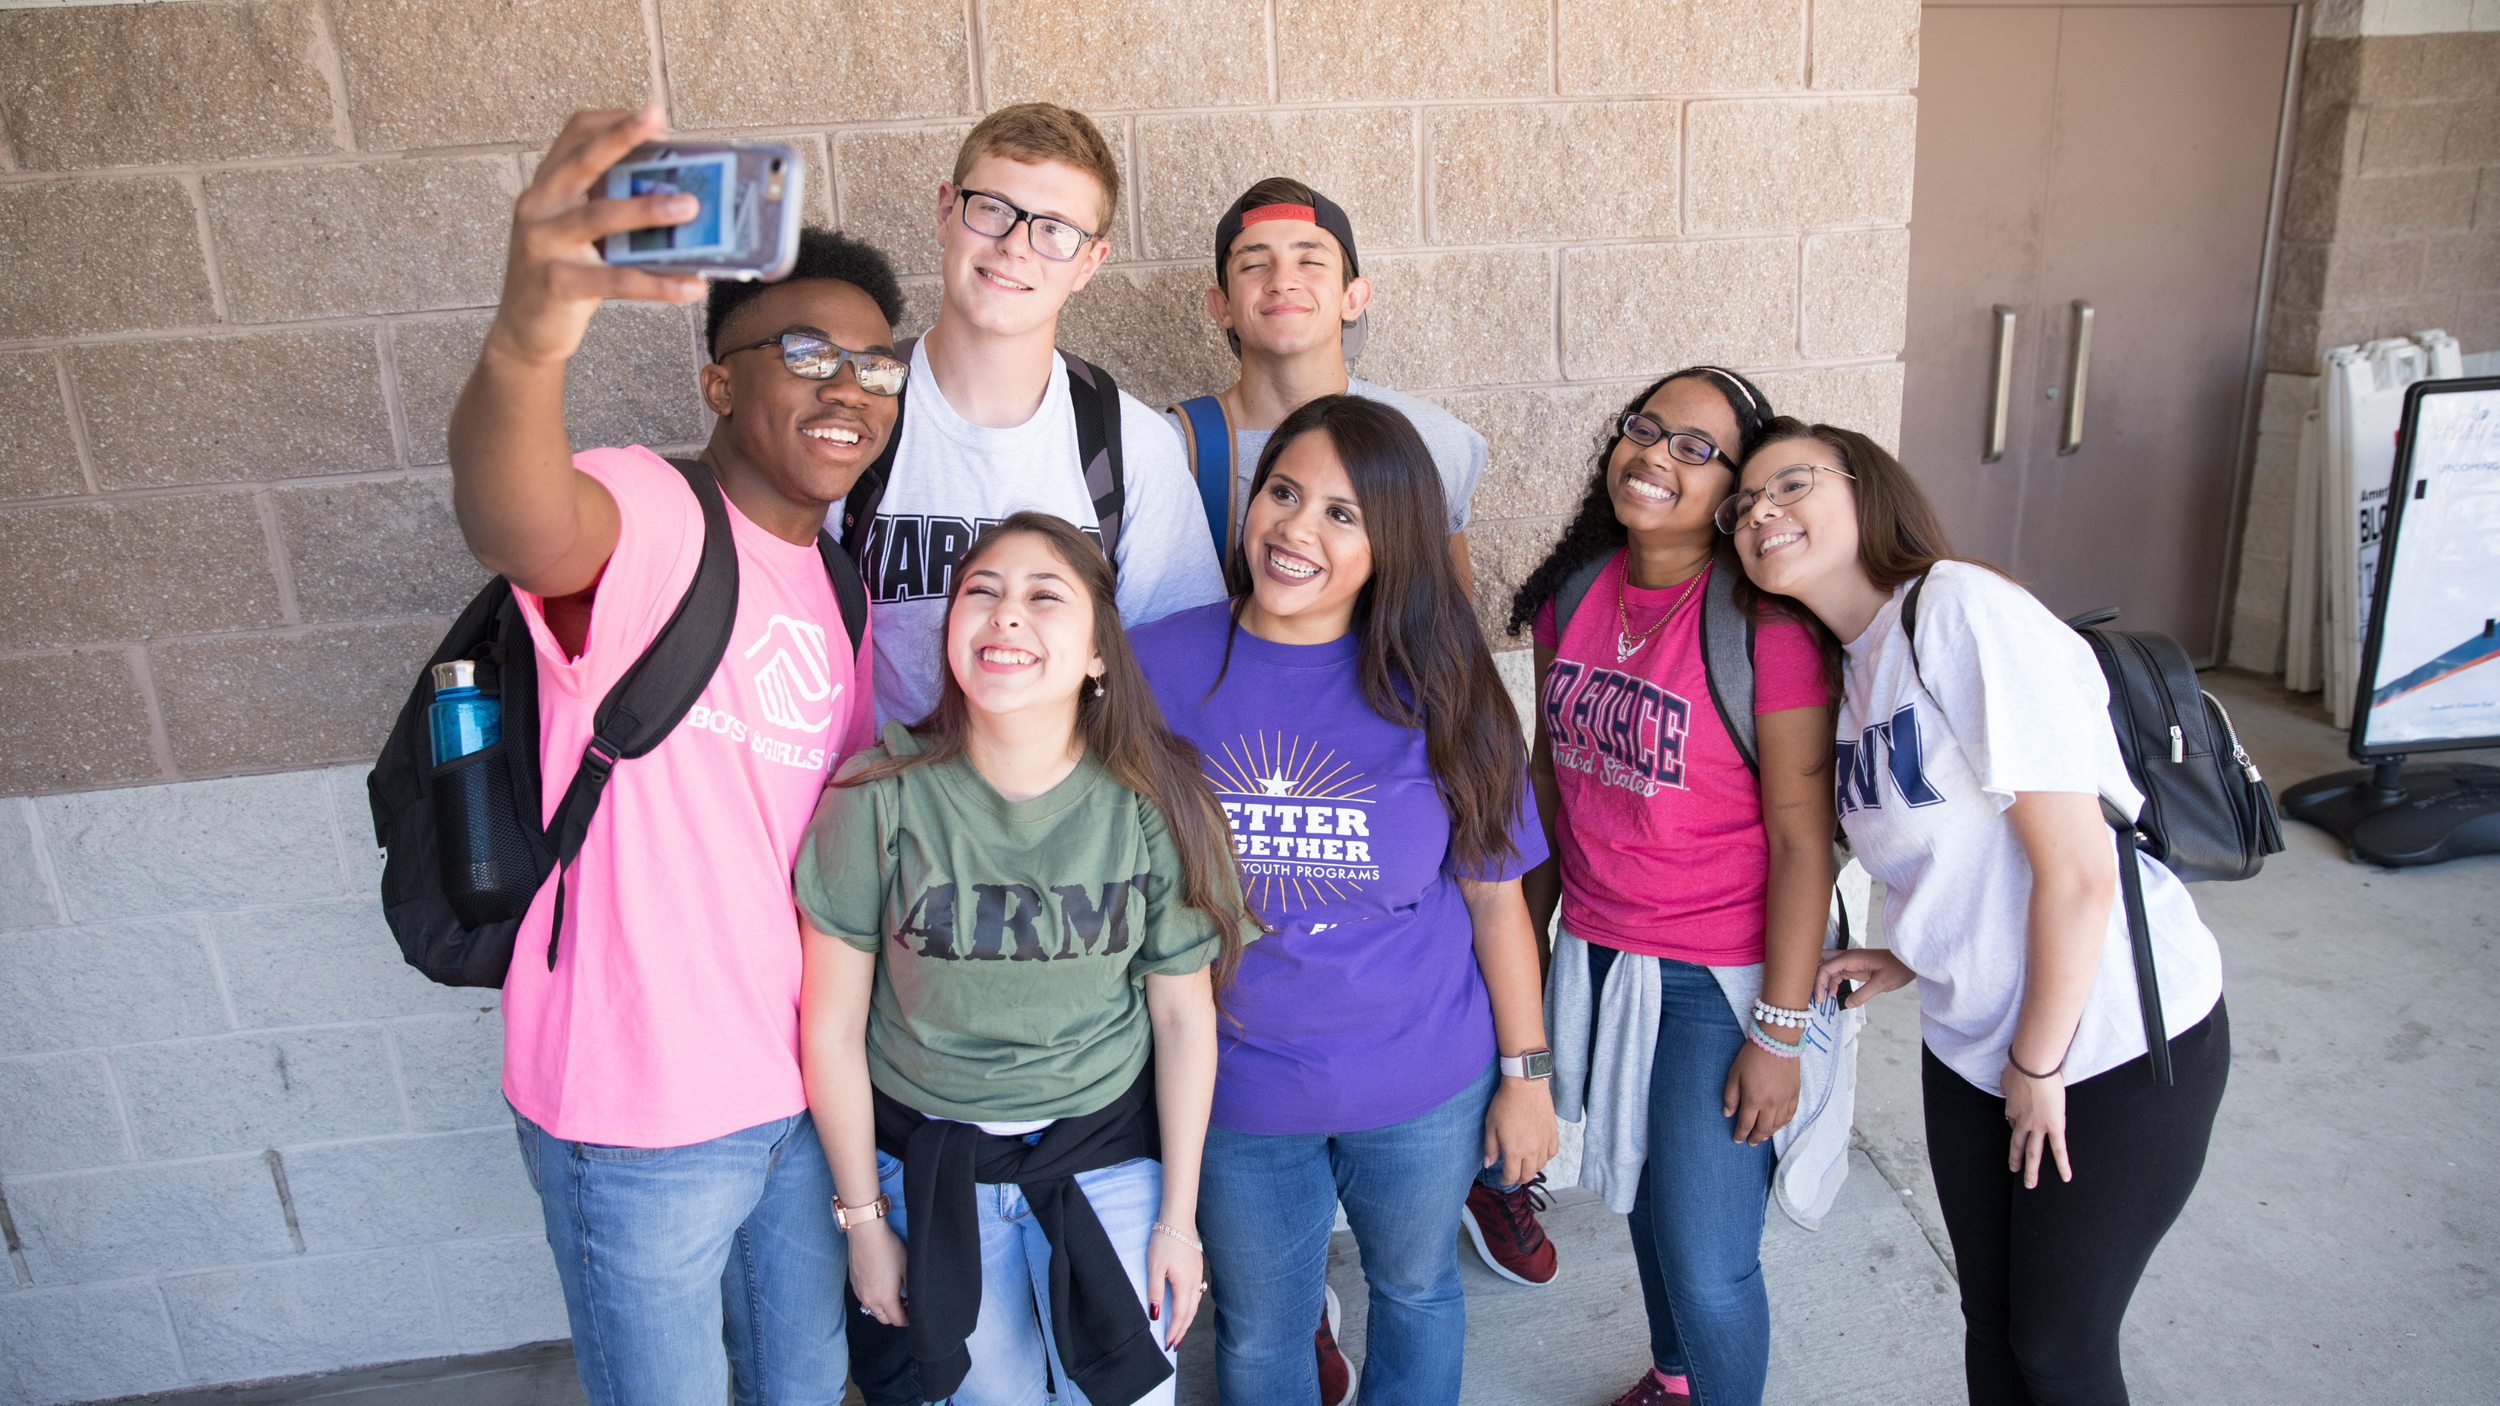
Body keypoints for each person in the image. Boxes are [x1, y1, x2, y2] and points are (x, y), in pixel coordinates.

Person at [446, 106, 902, 1404]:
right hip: (636, 1109)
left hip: (799, 1096)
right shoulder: (648, 509)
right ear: (718, 380)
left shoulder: (837, 583)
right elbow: (519, 517)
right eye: (806, 351)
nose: (847, 388)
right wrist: (530, 336)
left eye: (876, 366)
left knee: (804, 1388)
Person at [1725, 419, 2230, 1405]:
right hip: (1974, 1045)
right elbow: (1961, 849)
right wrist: (1908, 955)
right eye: (1742, 505)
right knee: (1991, 1327)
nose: (1762, 511)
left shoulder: (1956, 609)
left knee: (2057, 1344)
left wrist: (2040, 1063)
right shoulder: (1852, 665)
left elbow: (2079, 868)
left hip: (2112, 1043)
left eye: (1790, 483)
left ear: (1865, 489)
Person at [1134, 395, 1557, 1406]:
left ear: (1390, 542)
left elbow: (1499, 902)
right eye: (1282, 491)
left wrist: (1526, 1074)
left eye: (1340, 513)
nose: (1295, 527)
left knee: (1414, 1291)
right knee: (1261, 1330)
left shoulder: (1446, 682)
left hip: (1421, 1081)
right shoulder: (1152, 662)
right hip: (1236, 1089)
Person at [795, 513, 1258, 1406]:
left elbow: (1181, 1016)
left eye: (1045, 597)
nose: (1006, 615)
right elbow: (831, 1029)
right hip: (933, 1170)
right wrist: (863, 1224)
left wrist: (1178, 1219)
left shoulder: (1153, 802)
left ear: (1097, 654)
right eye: (982, 592)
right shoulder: (875, 796)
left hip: (1108, 1160)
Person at [1502, 367, 1834, 1406]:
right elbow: (1549, 782)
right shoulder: (1577, 592)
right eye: (1646, 429)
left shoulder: (1762, 627)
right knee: (1641, 1192)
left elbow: (1800, 836)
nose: (1656, 454)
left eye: (1697, 447)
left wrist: (1777, 1029)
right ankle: (1677, 1375)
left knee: (1706, 1251)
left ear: (1737, 490)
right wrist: (1519, 949)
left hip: (1714, 975)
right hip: (1599, 953)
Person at [854, 103, 1224, 728]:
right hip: (880, 806)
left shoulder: (1130, 447)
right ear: (946, 211)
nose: (1015, 247)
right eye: (993, 208)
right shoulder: (855, 412)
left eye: (1055, 229)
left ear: (1090, 262)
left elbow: (1174, 677)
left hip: (1059, 814)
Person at [1166, 178, 1488, 591]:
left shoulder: (1433, 440)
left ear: (1352, 298)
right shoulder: (1170, 450)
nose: (1282, 281)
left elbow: (1451, 626)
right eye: (1253, 265)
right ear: (1222, 305)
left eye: (1310, 262)